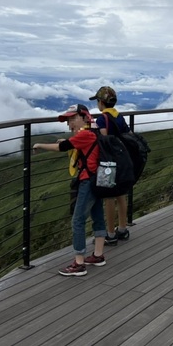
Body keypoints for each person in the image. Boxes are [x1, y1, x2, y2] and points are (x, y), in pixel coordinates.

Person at [33, 104, 107, 276]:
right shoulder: (94, 130)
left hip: (88, 181)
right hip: (99, 180)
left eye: (73, 119)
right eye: (68, 120)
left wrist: (40, 145)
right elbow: (77, 145)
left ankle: (79, 263)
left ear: (84, 117)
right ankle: (98, 255)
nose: (70, 124)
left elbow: (63, 147)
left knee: (78, 220)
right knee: (97, 216)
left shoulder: (85, 134)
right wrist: (66, 142)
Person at [89, 86, 132, 246]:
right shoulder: (119, 117)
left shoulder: (102, 119)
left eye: (98, 101)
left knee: (108, 198)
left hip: (108, 162)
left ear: (101, 102)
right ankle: (122, 229)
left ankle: (110, 234)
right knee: (121, 195)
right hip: (122, 160)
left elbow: (103, 139)